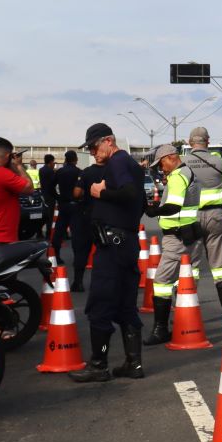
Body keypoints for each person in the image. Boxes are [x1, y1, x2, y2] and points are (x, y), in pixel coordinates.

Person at [71, 123, 146, 382]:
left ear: (109, 140)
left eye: (94, 146)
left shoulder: (118, 162)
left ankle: (99, 362)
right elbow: (140, 199)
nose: (92, 152)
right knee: (125, 304)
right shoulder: (128, 164)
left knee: (101, 305)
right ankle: (133, 364)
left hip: (113, 245)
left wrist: (103, 192)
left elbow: (129, 192)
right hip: (126, 243)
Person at [141, 144, 201, 345]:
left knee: (161, 281)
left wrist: (153, 211)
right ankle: (182, 322)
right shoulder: (187, 172)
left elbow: (174, 205)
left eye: (161, 164)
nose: (161, 168)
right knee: (183, 280)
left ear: (170, 157)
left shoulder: (177, 176)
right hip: (188, 235)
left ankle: (160, 329)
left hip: (177, 238)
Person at [179, 127, 222, 319]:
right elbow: (221, 182)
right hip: (215, 215)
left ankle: (188, 314)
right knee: (220, 265)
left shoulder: (183, 162)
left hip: (191, 217)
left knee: (191, 265)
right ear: (208, 141)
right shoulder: (217, 161)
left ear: (189, 141)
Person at [69, 153, 105, 293]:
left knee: (81, 251)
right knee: (104, 251)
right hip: (105, 217)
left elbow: (77, 193)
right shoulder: (111, 171)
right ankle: (101, 283)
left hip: (85, 215)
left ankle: (78, 282)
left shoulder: (86, 172)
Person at [52, 150, 80, 263]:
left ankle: (56, 256)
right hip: (76, 205)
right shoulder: (79, 172)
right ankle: (77, 257)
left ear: (66, 159)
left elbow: (50, 187)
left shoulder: (60, 172)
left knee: (59, 232)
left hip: (63, 205)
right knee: (77, 233)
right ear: (75, 159)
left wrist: (58, 197)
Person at [38, 154, 57, 239]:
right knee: (50, 216)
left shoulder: (41, 170)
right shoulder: (50, 171)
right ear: (50, 162)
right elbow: (52, 184)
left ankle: (39, 232)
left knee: (43, 215)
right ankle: (48, 233)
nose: (54, 163)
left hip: (43, 194)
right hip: (50, 196)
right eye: (53, 162)